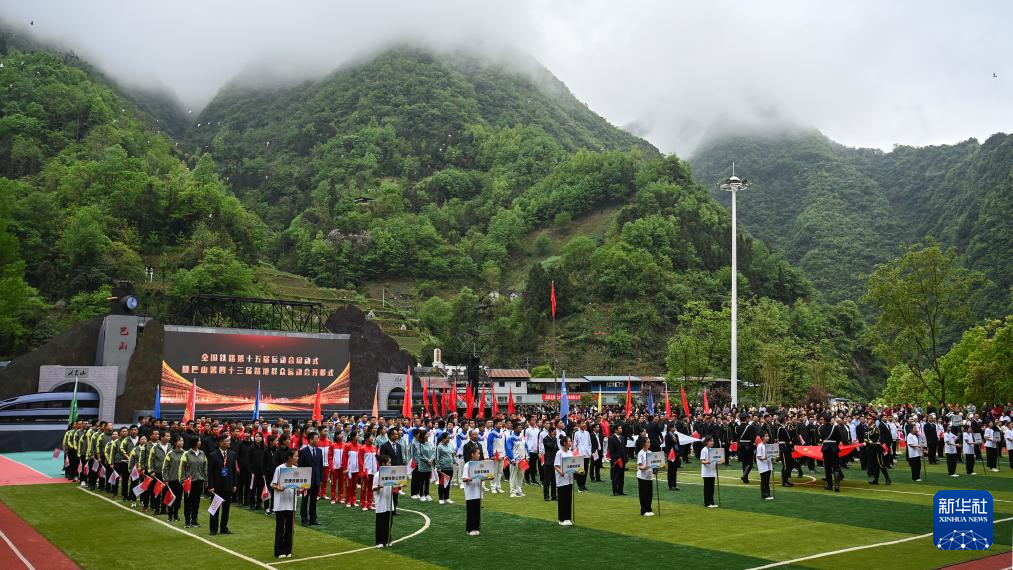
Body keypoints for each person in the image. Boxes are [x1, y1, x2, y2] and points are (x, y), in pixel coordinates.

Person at [270, 448, 298, 559]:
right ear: (290, 458)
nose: (297, 458)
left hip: (291, 502)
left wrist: (301, 488)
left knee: (290, 528)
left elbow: (298, 484)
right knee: (280, 528)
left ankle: (288, 550)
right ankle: (278, 551)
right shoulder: (279, 469)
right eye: (296, 456)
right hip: (280, 503)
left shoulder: (296, 469)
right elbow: (273, 484)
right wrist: (278, 487)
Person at [207, 434, 237, 535]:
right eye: (227, 441)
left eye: (229, 441)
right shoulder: (213, 455)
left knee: (226, 508)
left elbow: (234, 470)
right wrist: (210, 486)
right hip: (217, 486)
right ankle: (213, 528)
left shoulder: (232, 454)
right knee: (215, 508)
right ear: (221, 443)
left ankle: (224, 527)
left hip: (228, 485)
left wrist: (234, 484)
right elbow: (210, 472)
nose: (229, 442)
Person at [373, 455, 399, 547]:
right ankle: (379, 541)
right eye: (389, 463)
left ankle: (387, 540)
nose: (390, 464)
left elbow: (394, 485)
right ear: (383, 463)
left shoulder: (390, 474)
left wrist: (400, 485)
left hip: (388, 501)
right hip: (381, 502)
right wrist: (379, 487)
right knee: (381, 522)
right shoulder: (377, 475)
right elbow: (373, 488)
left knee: (388, 522)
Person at [298, 431, 324, 526]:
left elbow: (320, 466)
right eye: (316, 438)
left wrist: (321, 479)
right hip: (306, 481)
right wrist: (301, 481)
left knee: (313, 500)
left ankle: (313, 518)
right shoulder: (303, 451)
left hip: (316, 480)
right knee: (305, 500)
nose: (318, 440)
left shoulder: (319, 451)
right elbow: (300, 466)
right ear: (310, 440)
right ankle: (304, 519)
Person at [181, 437, 207, 528]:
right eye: (198, 441)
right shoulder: (186, 454)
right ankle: (187, 521)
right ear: (193, 442)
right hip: (189, 482)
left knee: (197, 502)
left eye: (200, 440)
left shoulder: (202, 453)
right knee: (188, 502)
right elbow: (182, 468)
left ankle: (194, 520)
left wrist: (206, 479)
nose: (200, 442)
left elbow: (205, 467)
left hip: (199, 481)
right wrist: (183, 480)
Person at [162, 436, 186, 522]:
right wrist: (166, 479)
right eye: (179, 441)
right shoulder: (170, 454)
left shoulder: (185, 453)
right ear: (175, 443)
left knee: (179, 498)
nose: (181, 442)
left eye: (182, 441)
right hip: (171, 480)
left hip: (181, 481)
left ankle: (176, 514)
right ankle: (170, 514)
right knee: (171, 497)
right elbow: (165, 467)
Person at [461, 447, 483, 536]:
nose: (479, 455)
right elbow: (464, 478)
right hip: (470, 492)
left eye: (479, 453)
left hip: (478, 491)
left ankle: (476, 528)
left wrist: (487, 477)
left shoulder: (479, 465)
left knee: (477, 510)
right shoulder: (467, 465)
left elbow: (482, 476)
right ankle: (469, 529)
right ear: (472, 454)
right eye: (477, 453)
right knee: (471, 511)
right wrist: (469, 479)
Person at [553, 435, 574, 526]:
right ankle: (561, 519)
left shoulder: (571, 453)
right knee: (562, 499)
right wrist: (561, 472)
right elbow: (556, 466)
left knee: (568, 499)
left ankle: (568, 518)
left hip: (569, 479)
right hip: (561, 479)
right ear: (564, 443)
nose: (570, 443)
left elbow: (573, 465)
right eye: (569, 441)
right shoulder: (559, 453)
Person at [635, 437, 655, 516]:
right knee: (643, 494)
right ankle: (643, 510)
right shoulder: (640, 453)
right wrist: (645, 466)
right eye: (648, 442)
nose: (649, 444)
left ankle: (649, 509)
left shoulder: (650, 452)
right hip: (642, 477)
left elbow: (654, 464)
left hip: (649, 476)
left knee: (649, 494)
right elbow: (640, 466)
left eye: (649, 442)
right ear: (644, 443)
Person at [436, 432, 456, 504]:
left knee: (448, 483)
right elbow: (437, 457)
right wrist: (438, 467)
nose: (448, 439)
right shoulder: (439, 447)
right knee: (442, 483)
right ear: (443, 439)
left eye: (449, 438)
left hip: (450, 467)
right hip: (443, 468)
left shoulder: (450, 445)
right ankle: (441, 498)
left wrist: (454, 461)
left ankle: (447, 497)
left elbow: (452, 455)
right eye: (447, 438)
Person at [608, 424, 627, 496]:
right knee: (615, 477)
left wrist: (625, 458)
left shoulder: (622, 437)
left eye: (621, 428)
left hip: (622, 460)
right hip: (616, 461)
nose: (621, 429)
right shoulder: (611, 438)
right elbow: (611, 451)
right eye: (619, 428)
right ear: (615, 430)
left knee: (621, 477)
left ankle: (620, 491)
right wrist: (614, 460)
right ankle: (615, 491)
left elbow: (624, 449)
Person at [542, 426, 559, 502]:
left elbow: (556, 448)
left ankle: (554, 496)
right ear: (550, 432)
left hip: (554, 462)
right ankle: (546, 496)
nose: (555, 433)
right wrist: (554, 439)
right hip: (548, 462)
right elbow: (551, 446)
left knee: (554, 480)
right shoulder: (546, 439)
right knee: (547, 480)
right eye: (554, 432)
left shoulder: (554, 439)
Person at [700, 436, 717, 508]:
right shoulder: (704, 450)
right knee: (707, 488)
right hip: (706, 472)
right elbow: (702, 461)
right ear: (707, 442)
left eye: (712, 441)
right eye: (711, 441)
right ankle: (707, 503)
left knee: (712, 488)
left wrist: (719, 461)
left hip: (712, 471)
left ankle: (712, 502)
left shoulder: (712, 450)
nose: (712, 442)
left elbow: (716, 459)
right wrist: (707, 462)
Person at [757, 432, 773, 500]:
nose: (768, 437)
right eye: (766, 436)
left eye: (768, 436)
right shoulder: (760, 446)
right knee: (764, 480)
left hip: (768, 464)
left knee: (767, 480)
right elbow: (758, 456)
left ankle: (768, 493)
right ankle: (764, 494)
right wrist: (764, 458)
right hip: (763, 465)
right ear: (762, 438)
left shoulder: (768, 445)